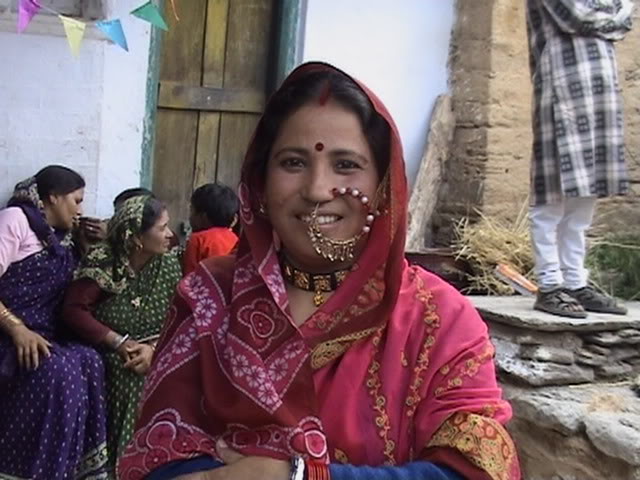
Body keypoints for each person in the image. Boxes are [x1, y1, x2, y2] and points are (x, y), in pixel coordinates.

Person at [118, 63, 520, 480]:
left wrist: (300, 476)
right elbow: (159, 454)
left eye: (346, 165)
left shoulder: (439, 318)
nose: (316, 190)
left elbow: (474, 470)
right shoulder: (209, 296)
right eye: (293, 163)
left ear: (384, 187)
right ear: (261, 182)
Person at [526, 0, 633, 318]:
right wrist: (614, 15)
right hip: (562, 88)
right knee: (551, 191)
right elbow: (576, 15)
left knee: (587, 190)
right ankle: (549, 285)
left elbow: (626, 11)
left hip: (600, 92)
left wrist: (615, 13)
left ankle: (575, 283)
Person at [0, 166, 108, 479]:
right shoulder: (15, 220)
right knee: (59, 371)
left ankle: (72, 471)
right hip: (9, 336)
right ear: (52, 198)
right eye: (76, 201)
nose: (80, 210)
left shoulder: (64, 240)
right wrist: (17, 329)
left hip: (44, 335)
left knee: (90, 360)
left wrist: (87, 248)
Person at [62, 195, 181, 477]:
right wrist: (119, 342)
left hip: (157, 348)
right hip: (107, 348)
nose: (170, 234)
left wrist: (154, 349)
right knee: (130, 375)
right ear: (137, 238)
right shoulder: (103, 261)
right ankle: (119, 467)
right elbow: (73, 311)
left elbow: (181, 317)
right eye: (162, 228)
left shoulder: (168, 264)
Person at [183, 183, 240, 275]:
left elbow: (189, 277)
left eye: (192, 211)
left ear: (203, 217)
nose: (190, 217)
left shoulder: (197, 240)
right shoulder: (235, 239)